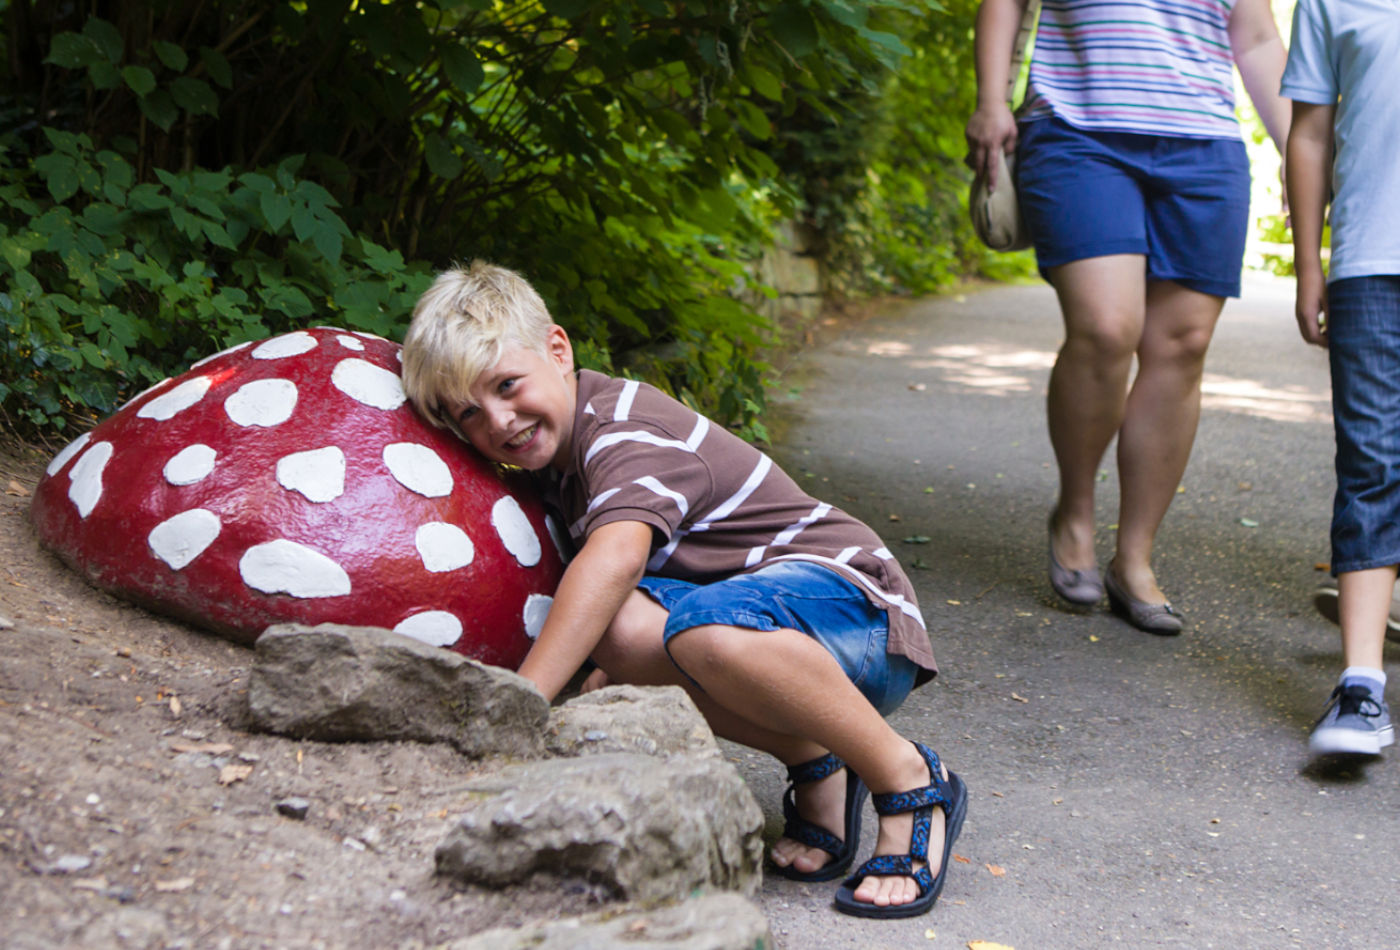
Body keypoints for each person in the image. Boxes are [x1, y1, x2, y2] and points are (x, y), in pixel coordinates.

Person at [399, 261, 966, 918]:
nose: (499, 420)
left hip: (856, 610)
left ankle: (908, 778)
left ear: (558, 350)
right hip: (759, 622)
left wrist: (523, 699)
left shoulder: (624, 428)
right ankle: (818, 760)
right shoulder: (556, 467)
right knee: (618, 641)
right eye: (470, 413)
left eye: (507, 385)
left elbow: (614, 559)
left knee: (695, 630)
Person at [964, 0, 1291, 634]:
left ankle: (1134, 558)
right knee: (1106, 328)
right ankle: (1076, 514)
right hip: (1077, 132)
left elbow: (1255, 40)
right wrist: (990, 99)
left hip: (1206, 147)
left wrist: (1297, 147)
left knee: (1183, 346)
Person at [1282, 0, 1400, 757]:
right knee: (1372, 461)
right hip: (1370, 260)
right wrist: (1307, 263)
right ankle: (1362, 684)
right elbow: (1311, 131)